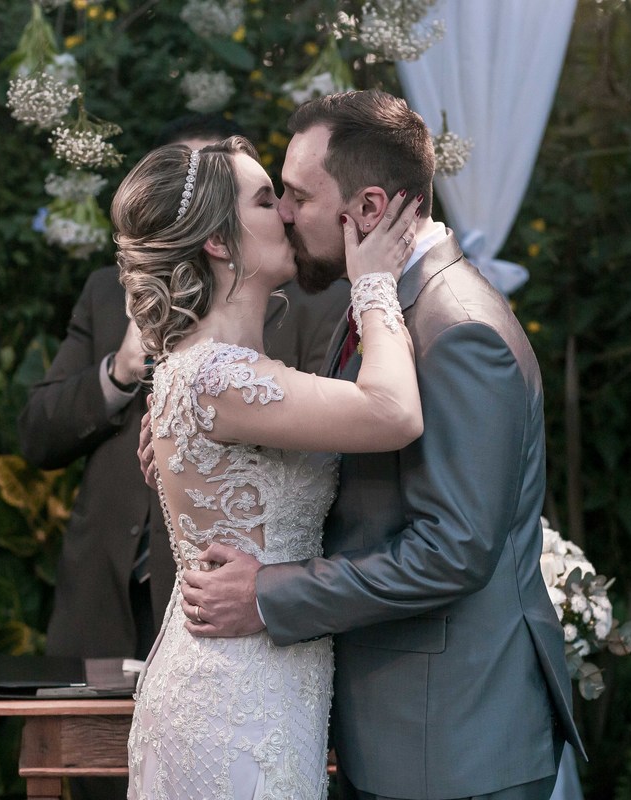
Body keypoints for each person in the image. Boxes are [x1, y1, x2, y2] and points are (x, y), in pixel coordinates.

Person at [169, 90, 584, 800]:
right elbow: (352, 472)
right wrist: (203, 445)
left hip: (451, 743)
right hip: (397, 731)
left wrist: (269, 594)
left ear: (367, 207)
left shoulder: (458, 330)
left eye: (299, 195)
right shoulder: (381, 301)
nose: (286, 213)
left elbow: (452, 550)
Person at [17, 115, 348, 800]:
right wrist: (126, 372)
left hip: (240, 610)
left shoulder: (306, 297)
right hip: (106, 612)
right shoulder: (108, 294)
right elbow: (38, 432)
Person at [114, 133, 423, 798]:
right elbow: (394, 412)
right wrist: (375, 283)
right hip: (230, 706)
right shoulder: (217, 376)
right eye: (264, 200)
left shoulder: (213, 375)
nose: (286, 211)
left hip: (267, 688)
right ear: (217, 241)